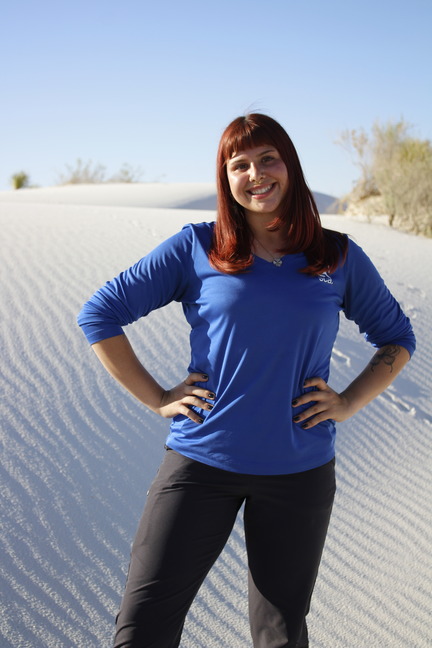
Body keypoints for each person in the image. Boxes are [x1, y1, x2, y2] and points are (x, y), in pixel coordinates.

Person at [77, 113, 415, 648]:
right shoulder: (197, 246)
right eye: (240, 165)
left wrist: (348, 402)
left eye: (267, 159)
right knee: (142, 629)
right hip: (200, 463)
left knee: (280, 635)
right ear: (225, 178)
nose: (255, 175)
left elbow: (397, 337)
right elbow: (99, 315)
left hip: (299, 472)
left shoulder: (336, 255)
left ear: (290, 166)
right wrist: (158, 397)